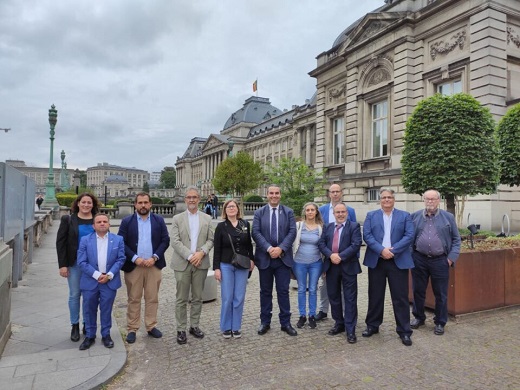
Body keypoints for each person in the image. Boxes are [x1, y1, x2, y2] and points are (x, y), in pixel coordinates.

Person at [362, 188, 415, 346]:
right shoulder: (371, 216)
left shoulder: (404, 216)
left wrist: (393, 250)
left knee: (400, 297)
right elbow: (367, 235)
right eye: (384, 197)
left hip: (397, 260)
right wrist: (381, 250)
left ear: (394, 199)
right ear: (380, 200)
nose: (386, 200)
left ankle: (404, 330)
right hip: (377, 260)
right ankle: (372, 325)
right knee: (375, 295)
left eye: (389, 197)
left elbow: (409, 235)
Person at [118, 192, 170, 344]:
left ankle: (151, 325)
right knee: (134, 298)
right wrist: (135, 258)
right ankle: (132, 328)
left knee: (152, 298)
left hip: (153, 265)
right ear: (135, 205)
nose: (143, 205)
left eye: (145, 202)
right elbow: (121, 242)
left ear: (150, 204)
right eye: (140, 203)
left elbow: (165, 241)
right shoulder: (127, 221)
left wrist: (155, 257)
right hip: (134, 265)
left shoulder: (158, 220)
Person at [410, 189, 461, 336]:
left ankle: (440, 322)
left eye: (433, 199)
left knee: (441, 293)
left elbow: (456, 240)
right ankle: (419, 317)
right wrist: (411, 256)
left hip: (440, 260)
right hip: (419, 259)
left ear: (439, 201)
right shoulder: (415, 217)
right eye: (427, 199)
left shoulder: (448, 217)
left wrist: (451, 258)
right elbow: (409, 238)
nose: (430, 202)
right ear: (424, 200)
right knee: (418, 291)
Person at [252, 185, 298, 336]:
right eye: (271, 193)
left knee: (283, 291)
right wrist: (269, 248)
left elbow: (292, 232)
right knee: (265, 292)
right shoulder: (259, 212)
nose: (274, 196)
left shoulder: (288, 212)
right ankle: (265, 322)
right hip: (265, 258)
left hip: (283, 259)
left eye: (277, 193)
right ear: (267, 195)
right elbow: (256, 232)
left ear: (280, 195)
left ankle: (285, 323)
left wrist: (281, 248)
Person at [171, 186, 214, 345]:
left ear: (199, 199)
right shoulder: (177, 218)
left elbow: (211, 240)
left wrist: (201, 253)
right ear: (185, 199)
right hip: (182, 262)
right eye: (189, 197)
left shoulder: (207, 219)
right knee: (181, 298)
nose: (191, 200)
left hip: (201, 262)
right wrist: (190, 256)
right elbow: (174, 242)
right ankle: (181, 329)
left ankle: (194, 326)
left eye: (194, 197)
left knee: (197, 297)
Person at [76, 214, 125, 350]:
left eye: (105, 221)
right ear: (94, 226)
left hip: (109, 282)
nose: (102, 224)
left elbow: (121, 259)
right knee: (89, 309)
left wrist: (109, 275)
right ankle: (90, 336)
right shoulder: (85, 240)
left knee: (106, 309)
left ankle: (106, 335)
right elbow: (81, 261)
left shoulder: (118, 240)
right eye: (99, 222)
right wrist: (97, 275)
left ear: (109, 224)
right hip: (90, 281)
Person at [56, 192, 100, 342]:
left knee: (89, 296)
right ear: (78, 203)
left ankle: (87, 324)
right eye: (84, 202)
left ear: (93, 205)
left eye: (89, 203)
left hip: (93, 265)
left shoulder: (97, 220)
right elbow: (60, 243)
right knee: (75, 295)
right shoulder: (68, 220)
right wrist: (63, 265)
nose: (86, 205)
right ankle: (74, 324)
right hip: (74, 264)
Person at [318, 203, 362, 343]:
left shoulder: (354, 226)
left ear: (347, 213)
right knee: (334, 296)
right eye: (338, 212)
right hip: (331, 266)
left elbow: (356, 244)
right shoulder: (328, 227)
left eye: (343, 212)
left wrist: (340, 256)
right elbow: (321, 244)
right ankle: (339, 323)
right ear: (334, 214)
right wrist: (331, 255)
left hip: (348, 266)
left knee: (350, 298)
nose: (341, 214)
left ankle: (350, 329)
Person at [213, 200, 255, 338]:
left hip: (242, 265)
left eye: (234, 206)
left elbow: (249, 245)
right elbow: (217, 249)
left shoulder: (245, 225)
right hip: (226, 265)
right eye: (228, 207)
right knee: (227, 297)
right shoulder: (221, 226)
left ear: (238, 209)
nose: (231, 209)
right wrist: (216, 268)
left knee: (239, 297)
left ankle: (236, 327)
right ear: (225, 210)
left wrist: (252, 260)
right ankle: (226, 326)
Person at [316, 183, 357, 321]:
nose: (335, 194)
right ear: (329, 194)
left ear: (341, 193)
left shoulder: (350, 210)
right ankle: (323, 310)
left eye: (337, 191)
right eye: (332, 191)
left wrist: (351, 257)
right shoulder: (321, 210)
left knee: (345, 288)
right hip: (326, 254)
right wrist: (328, 254)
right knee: (325, 285)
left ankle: (347, 314)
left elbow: (354, 234)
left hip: (346, 256)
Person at [293, 202, 324, 329]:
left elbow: (324, 245)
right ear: (304, 212)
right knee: (301, 289)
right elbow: (292, 243)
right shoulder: (298, 226)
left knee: (312, 289)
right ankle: (302, 315)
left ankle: (311, 315)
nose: (310, 212)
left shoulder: (321, 227)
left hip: (315, 262)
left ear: (316, 212)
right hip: (299, 262)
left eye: (312, 210)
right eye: (308, 210)